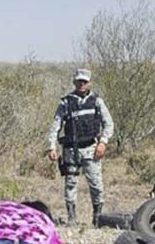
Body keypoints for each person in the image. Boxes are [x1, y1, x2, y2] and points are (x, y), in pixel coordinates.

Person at [45, 68, 115, 225]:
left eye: (84, 81)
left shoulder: (97, 101)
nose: (81, 84)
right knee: (70, 184)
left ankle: (97, 220)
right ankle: (72, 219)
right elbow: (55, 126)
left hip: (91, 149)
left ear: (89, 82)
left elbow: (108, 124)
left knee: (96, 185)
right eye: (79, 81)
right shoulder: (65, 102)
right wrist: (51, 146)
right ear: (74, 82)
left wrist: (103, 142)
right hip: (71, 150)